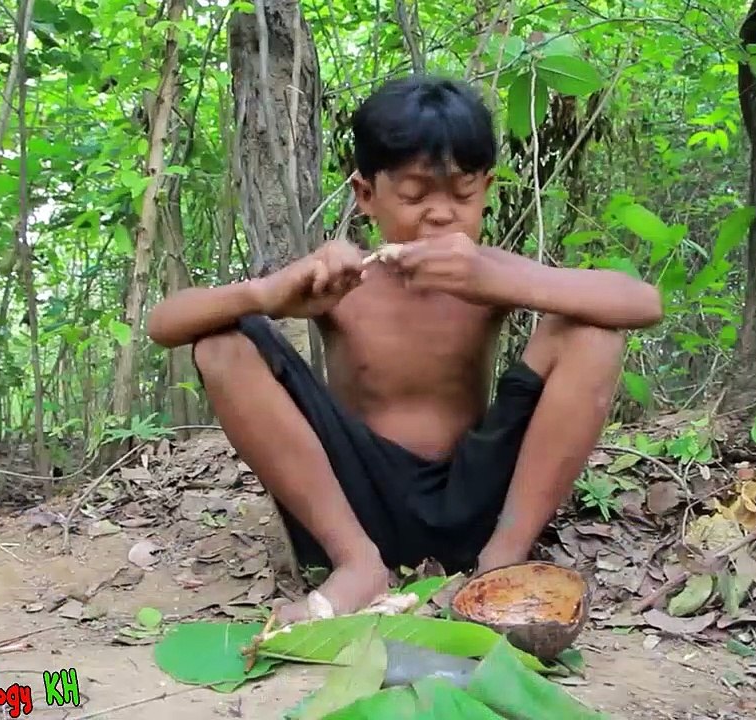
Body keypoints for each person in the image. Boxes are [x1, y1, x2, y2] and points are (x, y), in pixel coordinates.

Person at [147, 74, 663, 623]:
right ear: (366, 195)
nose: (440, 213)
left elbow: (643, 303)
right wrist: (267, 294)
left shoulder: (490, 273)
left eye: (462, 194)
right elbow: (164, 324)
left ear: (487, 188)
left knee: (592, 333)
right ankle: (356, 565)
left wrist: (501, 280)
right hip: (356, 502)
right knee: (223, 345)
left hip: (472, 499)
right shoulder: (342, 280)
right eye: (416, 195)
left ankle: (502, 561)